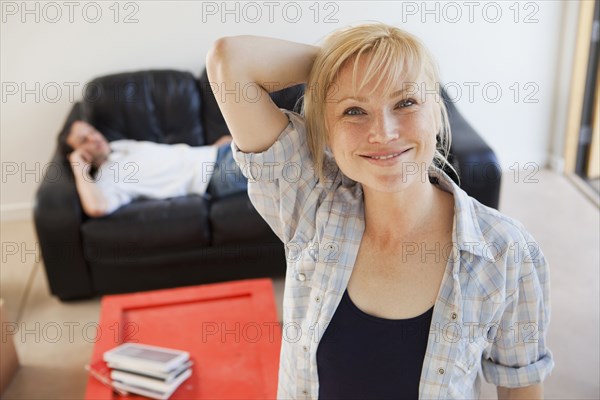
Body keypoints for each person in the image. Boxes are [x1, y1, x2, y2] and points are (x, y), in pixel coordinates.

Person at [206, 23, 554, 399]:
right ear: (327, 129)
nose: (383, 132)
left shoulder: (507, 252)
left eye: (405, 102)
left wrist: (357, 76)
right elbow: (229, 60)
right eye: (354, 110)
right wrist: (339, 64)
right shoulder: (308, 203)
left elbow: (520, 387)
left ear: (436, 114)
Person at [61, 120, 247, 217]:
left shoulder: (119, 145)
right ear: (77, 154)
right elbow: (96, 208)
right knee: (271, 154)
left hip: (216, 153)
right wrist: (79, 168)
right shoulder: (107, 181)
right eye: (83, 140)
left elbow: (170, 158)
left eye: (91, 131)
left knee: (267, 131)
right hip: (214, 177)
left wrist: (213, 148)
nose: (94, 138)